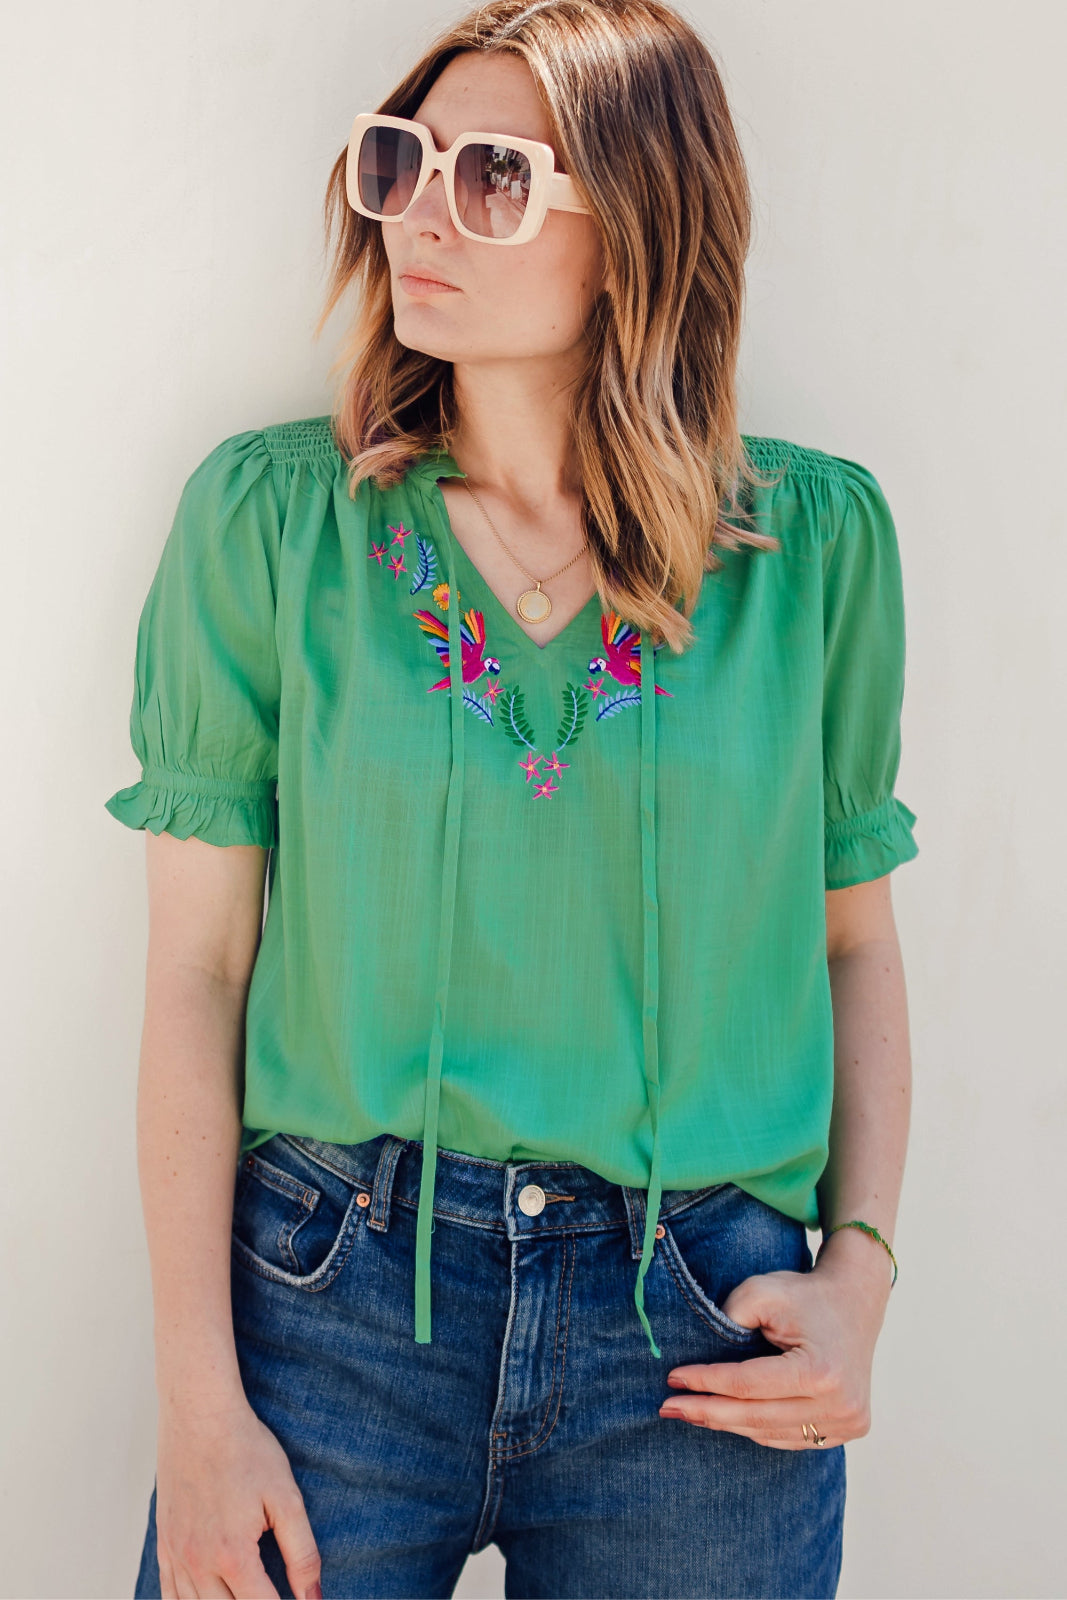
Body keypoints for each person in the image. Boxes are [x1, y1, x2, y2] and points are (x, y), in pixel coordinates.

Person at [104, 3, 919, 1596]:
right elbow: (197, 973)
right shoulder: (276, 526)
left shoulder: (816, 556)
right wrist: (197, 1403)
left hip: (697, 1333)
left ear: (638, 229)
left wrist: (861, 1277)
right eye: (397, 163)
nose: (416, 210)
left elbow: (857, 949)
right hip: (331, 1301)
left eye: (490, 177)